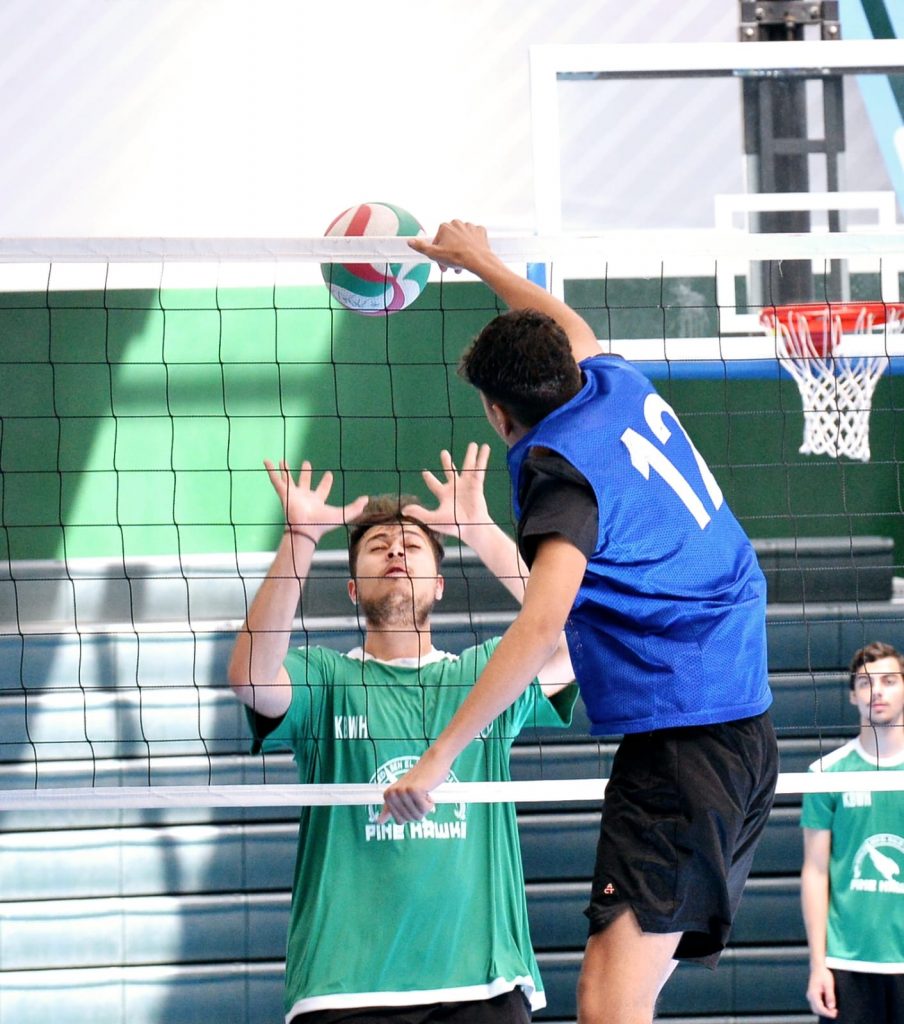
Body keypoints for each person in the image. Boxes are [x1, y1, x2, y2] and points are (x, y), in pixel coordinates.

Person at [381, 220, 779, 1024]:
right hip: (740, 730)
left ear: (497, 415)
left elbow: (539, 630)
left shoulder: (561, 477)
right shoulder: (612, 382)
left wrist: (437, 759)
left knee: (605, 1004)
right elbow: (572, 326)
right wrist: (482, 260)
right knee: (629, 1000)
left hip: (683, 748)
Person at [227, 442, 577, 1024]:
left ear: (440, 584)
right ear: (352, 589)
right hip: (345, 990)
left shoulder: (487, 674)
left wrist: (479, 530)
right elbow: (249, 677)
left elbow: (570, 630)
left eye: (412, 545)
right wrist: (300, 539)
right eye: (377, 546)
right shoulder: (326, 680)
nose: (394, 550)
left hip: (482, 983)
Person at [800, 641, 904, 1023]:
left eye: (889, 681)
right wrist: (818, 965)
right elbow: (815, 871)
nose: (877, 691)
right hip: (847, 964)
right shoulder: (826, 773)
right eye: (865, 683)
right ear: (852, 695)